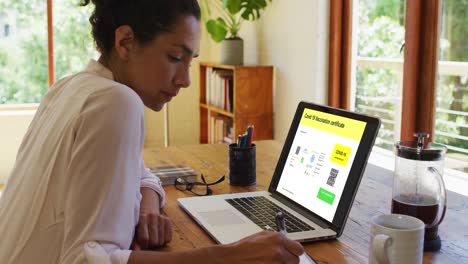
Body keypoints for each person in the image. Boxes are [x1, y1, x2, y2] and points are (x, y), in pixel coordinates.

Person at [0, 0, 304, 263]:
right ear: (125, 42)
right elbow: (85, 260)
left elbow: (139, 171)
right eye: (174, 58)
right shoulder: (116, 102)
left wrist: (147, 206)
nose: (185, 80)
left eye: (190, 61)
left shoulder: (70, 87)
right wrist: (232, 256)